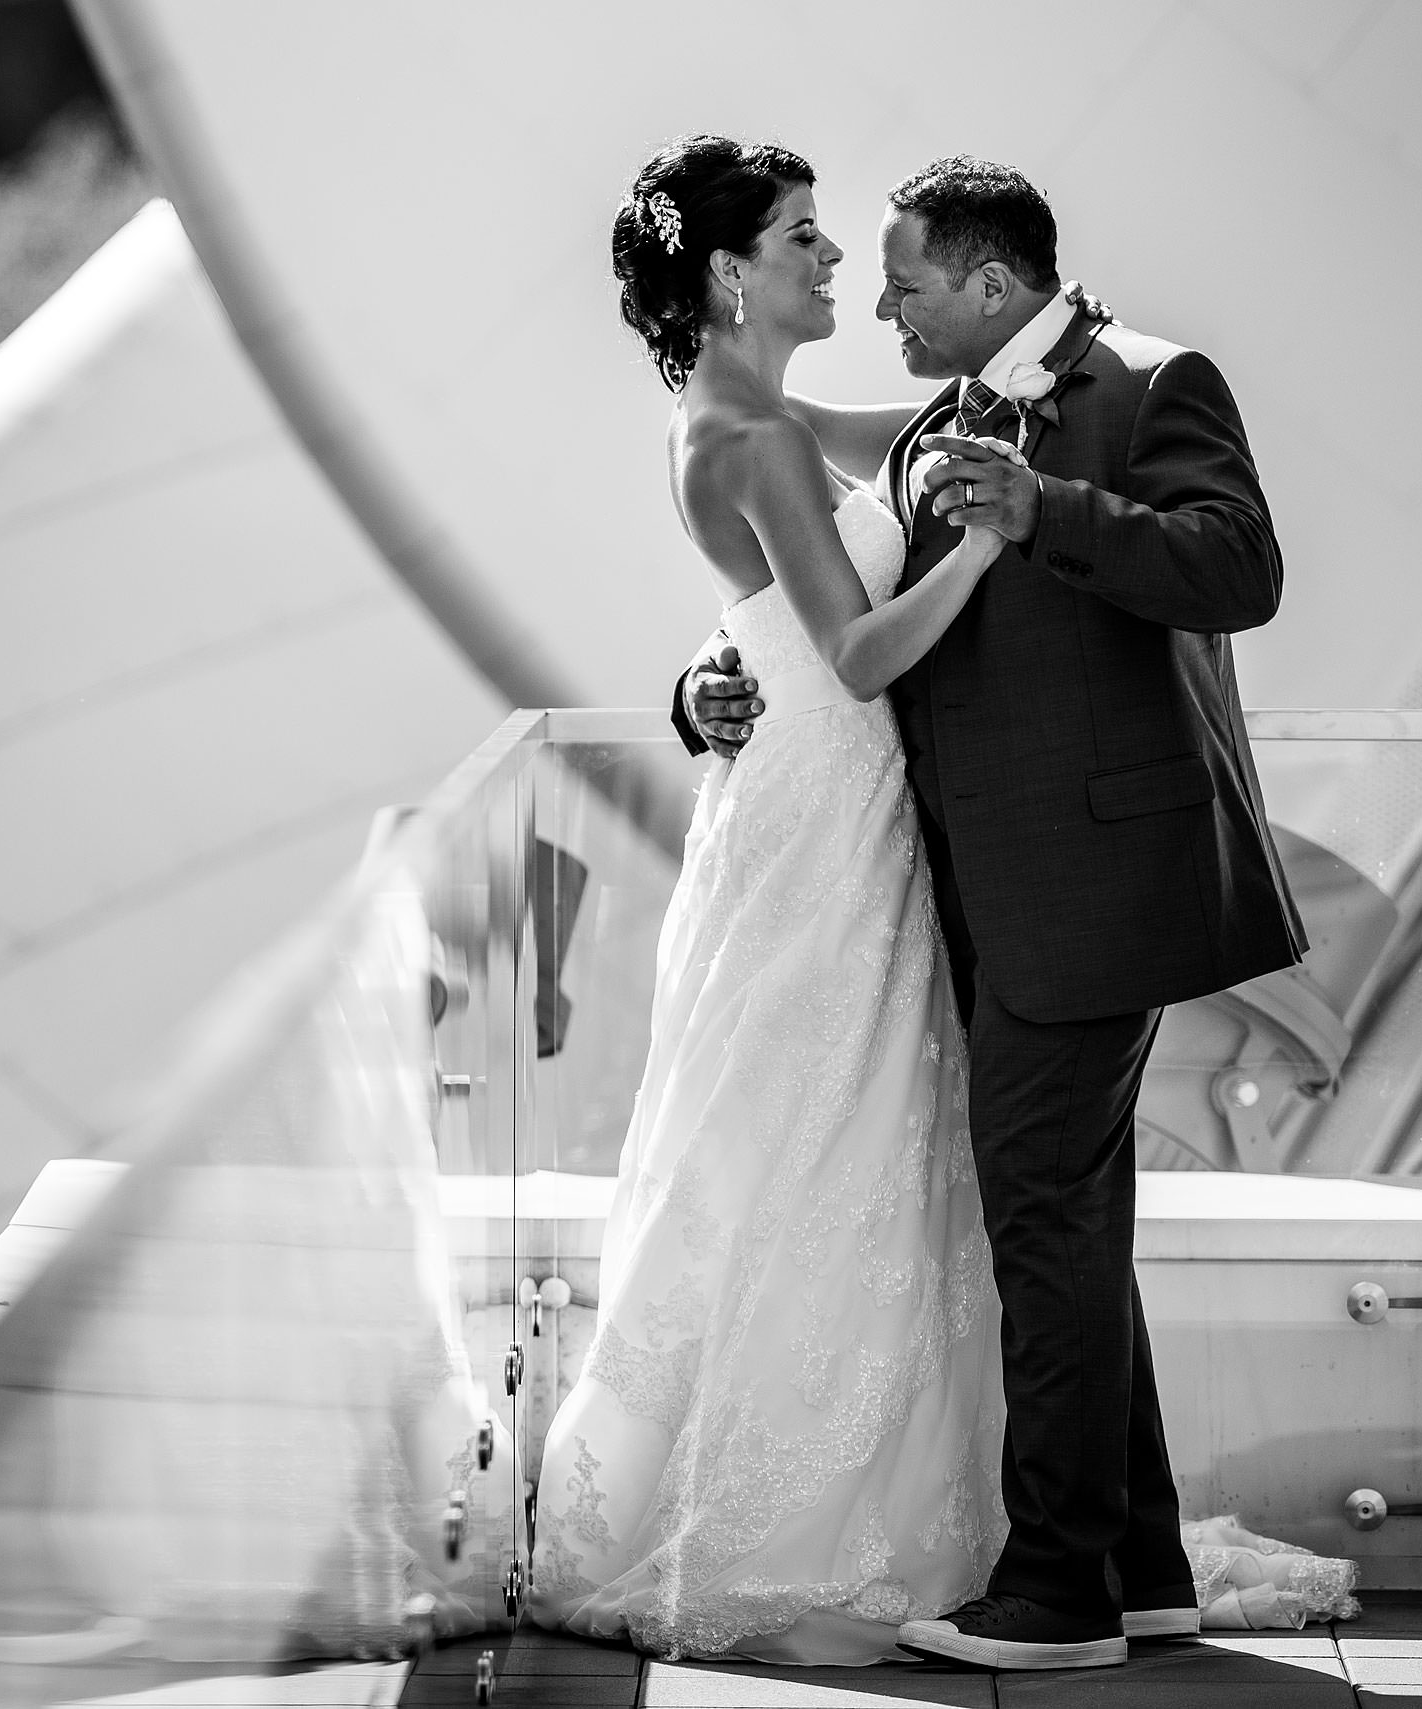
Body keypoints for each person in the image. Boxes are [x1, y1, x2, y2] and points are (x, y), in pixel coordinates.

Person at [671, 154, 1306, 1670]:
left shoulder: (1152, 382)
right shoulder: (935, 418)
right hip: (950, 890)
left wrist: (1052, 511)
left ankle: (1059, 1594)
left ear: (991, 282)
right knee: (1066, 1224)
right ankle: (1134, 1567)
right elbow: (807, 593)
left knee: (1040, 1222)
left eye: (902, 281)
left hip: (1095, 889)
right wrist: (702, 694)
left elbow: (1243, 570)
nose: (877, 300)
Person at [529, 135, 1008, 1668]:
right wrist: (992, 542)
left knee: (819, 1132)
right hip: (825, 810)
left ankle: (842, 1483)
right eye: (804, 236)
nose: (831, 259)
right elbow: (860, 655)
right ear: (732, 270)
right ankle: (793, 1518)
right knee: (821, 1128)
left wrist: (1011, 395)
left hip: (807, 792)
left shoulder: (746, 412)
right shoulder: (752, 441)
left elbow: (905, 423)